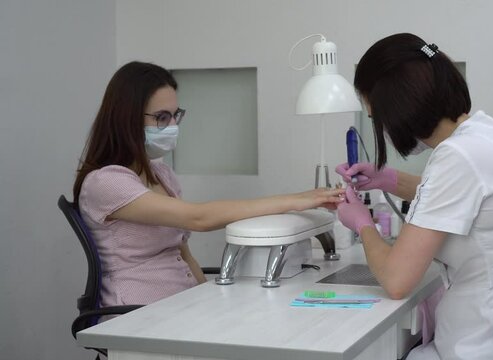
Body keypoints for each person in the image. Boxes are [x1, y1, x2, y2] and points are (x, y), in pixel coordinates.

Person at [335, 33, 493, 359]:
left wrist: (362, 223)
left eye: (375, 116)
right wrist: (388, 179)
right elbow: (461, 198)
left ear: (394, 109)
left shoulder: (458, 157)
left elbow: (396, 280)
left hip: (483, 345)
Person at [73, 61, 344, 308]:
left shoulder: (160, 175)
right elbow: (198, 218)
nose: (172, 126)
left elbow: (184, 254)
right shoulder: (105, 183)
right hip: (136, 314)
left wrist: (212, 304)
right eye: (161, 118)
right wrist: (296, 200)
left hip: (180, 303)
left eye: (175, 115)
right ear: (127, 117)